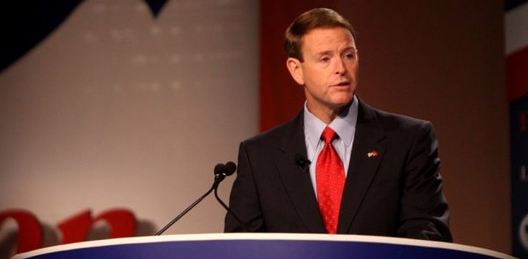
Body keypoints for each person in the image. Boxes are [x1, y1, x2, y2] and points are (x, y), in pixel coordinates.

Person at [224, 7, 452, 242]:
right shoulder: (260, 155)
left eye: (348, 55)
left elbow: (428, 234)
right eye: (325, 58)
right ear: (296, 70)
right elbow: (240, 247)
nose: (341, 69)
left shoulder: (408, 140)